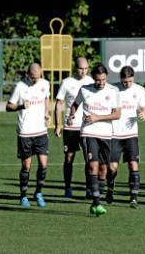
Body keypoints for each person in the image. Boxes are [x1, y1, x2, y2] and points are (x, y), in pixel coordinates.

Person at [68, 64, 120, 216]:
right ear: (93, 78)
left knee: (105, 169)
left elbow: (117, 114)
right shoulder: (85, 90)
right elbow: (75, 104)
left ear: (107, 78)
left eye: (103, 80)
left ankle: (101, 193)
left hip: (106, 134)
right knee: (93, 167)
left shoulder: (113, 91)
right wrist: (72, 115)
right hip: (88, 132)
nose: (101, 83)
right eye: (98, 80)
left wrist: (98, 117)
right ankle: (96, 202)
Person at [6, 63, 50, 208]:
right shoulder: (20, 86)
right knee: (26, 166)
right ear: (28, 74)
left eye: (37, 76)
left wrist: (47, 112)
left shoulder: (45, 83)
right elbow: (9, 106)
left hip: (41, 131)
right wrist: (20, 106)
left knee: (43, 164)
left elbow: (46, 98)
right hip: (25, 132)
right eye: (32, 77)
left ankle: (38, 193)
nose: (35, 80)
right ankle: (23, 195)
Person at [107, 66, 145, 208]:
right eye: (124, 82)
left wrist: (142, 112)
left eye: (129, 81)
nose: (127, 84)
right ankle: (110, 189)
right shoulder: (112, 89)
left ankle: (133, 197)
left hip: (131, 134)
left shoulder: (140, 90)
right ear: (120, 79)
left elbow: (143, 107)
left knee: (133, 165)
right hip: (114, 133)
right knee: (112, 167)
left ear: (133, 78)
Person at [54, 57, 94, 198]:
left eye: (85, 68)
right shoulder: (66, 83)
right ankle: (68, 188)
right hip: (70, 127)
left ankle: (89, 188)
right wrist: (58, 124)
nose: (83, 71)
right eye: (80, 68)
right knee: (69, 158)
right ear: (74, 68)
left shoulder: (91, 81)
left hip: (87, 127)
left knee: (88, 158)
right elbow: (59, 104)